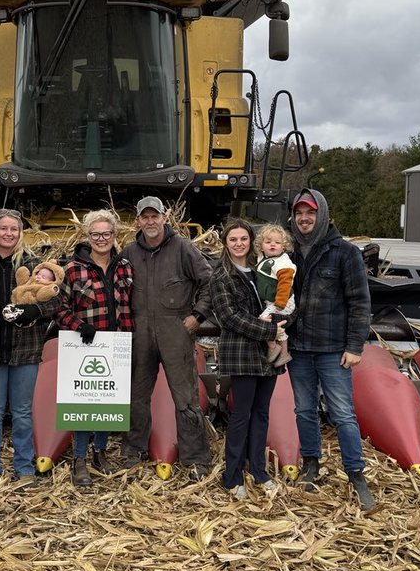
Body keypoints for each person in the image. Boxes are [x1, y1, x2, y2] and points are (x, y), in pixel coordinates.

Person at [287, 188, 375, 512]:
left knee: (342, 414)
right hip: (298, 348)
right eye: (299, 213)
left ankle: (356, 473)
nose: (304, 218)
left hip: (332, 350)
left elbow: (360, 302)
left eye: (310, 213)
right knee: (304, 411)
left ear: (321, 214)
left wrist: (355, 346)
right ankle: (311, 464)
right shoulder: (287, 252)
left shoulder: (344, 252)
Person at [121, 196, 213, 479]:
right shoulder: (129, 252)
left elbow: (209, 281)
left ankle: (195, 458)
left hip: (176, 331)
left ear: (164, 217)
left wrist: (197, 316)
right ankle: (133, 451)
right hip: (140, 333)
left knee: (185, 397)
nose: (150, 221)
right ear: (138, 221)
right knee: (136, 395)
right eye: (145, 217)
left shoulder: (183, 247)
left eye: (155, 216)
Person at [0, 210, 61, 485]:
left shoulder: (34, 265)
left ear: (20, 233)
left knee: (23, 411)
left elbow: (56, 299)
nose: (9, 234)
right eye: (3, 228)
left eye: (14, 229)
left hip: (25, 349)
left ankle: (24, 466)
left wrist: (35, 311)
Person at [57, 210, 134, 487]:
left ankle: (100, 453)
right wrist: (79, 326)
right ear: (87, 236)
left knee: (109, 402)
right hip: (85, 346)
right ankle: (79, 460)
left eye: (107, 234)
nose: (102, 239)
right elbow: (59, 308)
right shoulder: (72, 269)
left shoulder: (125, 267)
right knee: (84, 404)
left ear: (115, 235)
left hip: (117, 343)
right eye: (96, 234)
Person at [210, 218, 281, 502]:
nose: (239, 244)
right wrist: (270, 331)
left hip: (268, 354)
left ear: (251, 241)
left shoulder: (263, 270)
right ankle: (233, 475)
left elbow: (281, 301)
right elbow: (229, 318)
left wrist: (284, 320)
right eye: (233, 239)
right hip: (241, 353)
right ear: (225, 244)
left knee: (261, 413)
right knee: (241, 414)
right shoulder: (221, 276)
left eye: (243, 239)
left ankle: (259, 471)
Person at [256, 222, 296, 368]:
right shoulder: (265, 258)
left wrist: (280, 302)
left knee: (263, 321)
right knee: (278, 326)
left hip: (282, 302)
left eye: (277, 243)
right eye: (268, 242)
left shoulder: (283, 262)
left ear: (283, 247)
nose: (273, 245)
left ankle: (273, 347)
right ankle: (284, 353)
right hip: (272, 301)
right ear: (261, 246)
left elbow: (285, 282)